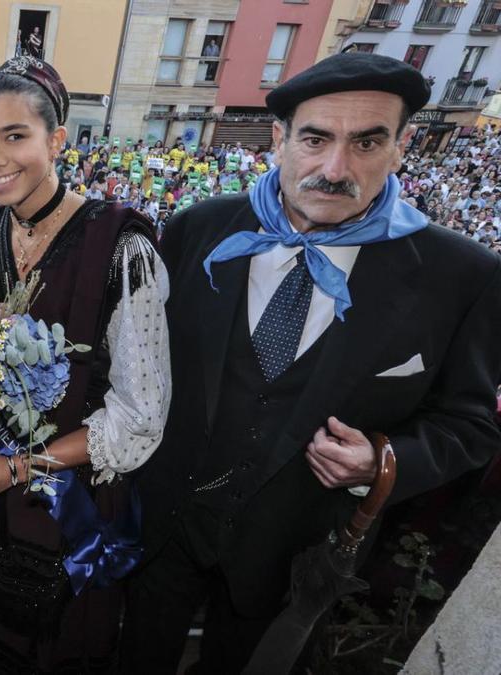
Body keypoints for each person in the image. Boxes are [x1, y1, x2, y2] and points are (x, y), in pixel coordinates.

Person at [121, 53, 501, 674]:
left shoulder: (462, 277)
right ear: (279, 138)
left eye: (367, 142)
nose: (335, 168)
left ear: (403, 146)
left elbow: (471, 423)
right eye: (316, 139)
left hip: (291, 553)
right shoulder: (196, 229)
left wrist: (383, 462)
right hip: (165, 528)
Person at [0, 56, 171, 673]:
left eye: (15, 137)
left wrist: (18, 465)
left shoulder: (121, 247)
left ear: (58, 140)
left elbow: (141, 416)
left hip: (65, 512)